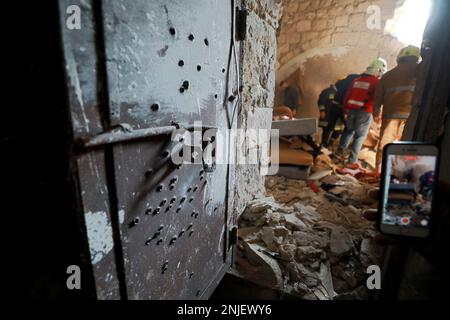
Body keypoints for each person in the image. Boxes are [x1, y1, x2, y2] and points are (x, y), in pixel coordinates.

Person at [373, 45, 421, 173]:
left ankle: (379, 172)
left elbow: (377, 96)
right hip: (411, 118)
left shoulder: (388, 75)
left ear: (400, 58)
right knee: (407, 148)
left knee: (385, 145)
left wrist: (376, 112)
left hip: (390, 117)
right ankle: (401, 174)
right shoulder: (421, 73)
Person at [336, 58, 388, 169]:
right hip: (364, 111)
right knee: (360, 136)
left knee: (348, 131)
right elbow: (377, 99)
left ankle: (338, 154)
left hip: (351, 110)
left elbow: (347, 95)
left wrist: (345, 110)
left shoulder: (357, 80)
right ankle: (352, 160)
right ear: (378, 70)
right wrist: (376, 114)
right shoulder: (376, 82)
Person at [319, 74, 360, 148]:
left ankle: (330, 144)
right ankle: (324, 144)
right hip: (328, 114)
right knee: (327, 129)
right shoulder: (328, 91)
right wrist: (322, 110)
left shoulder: (342, 90)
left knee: (337, 129)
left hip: (338, 113)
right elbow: (321, 101)